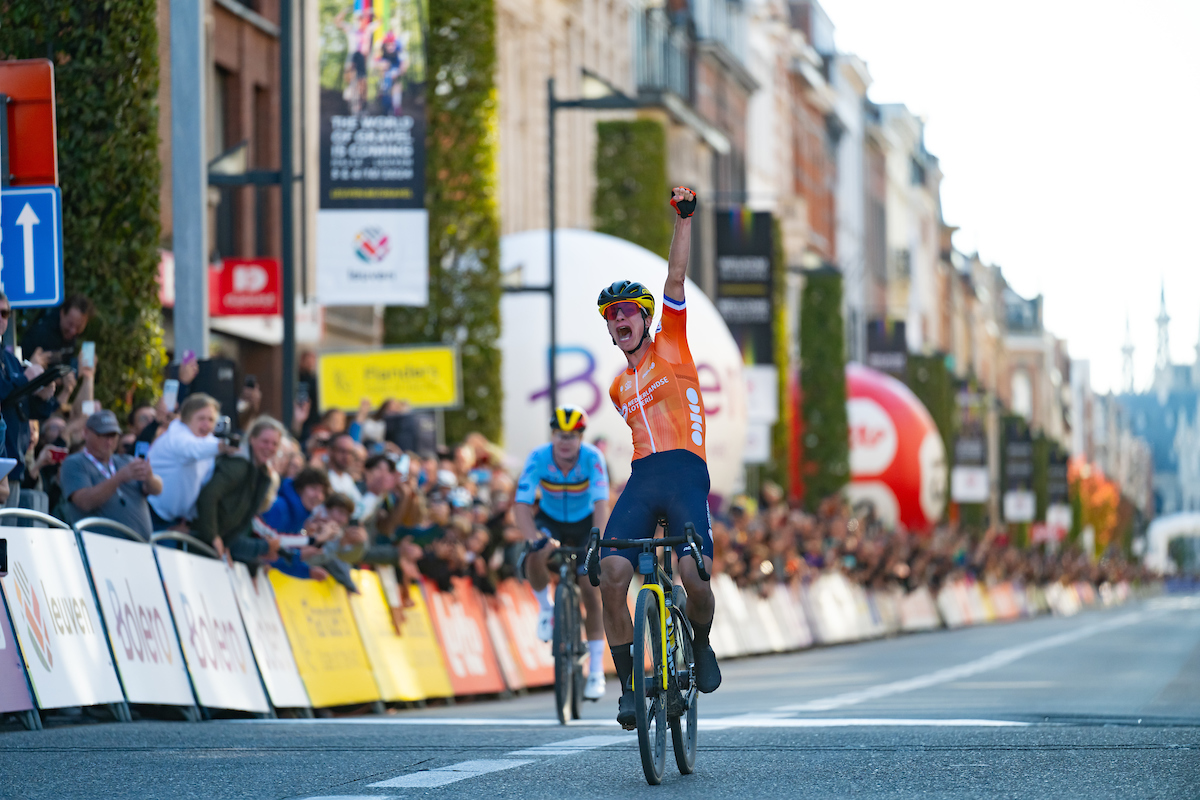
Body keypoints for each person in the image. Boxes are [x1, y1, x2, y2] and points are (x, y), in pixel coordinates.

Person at [596, 187, 720, 730]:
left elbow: (674, 280)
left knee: (694, 577)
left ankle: (702, 643)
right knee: (611, 571)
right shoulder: (617, 387)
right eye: (611, 315)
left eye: (627, 312)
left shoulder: (673, 344)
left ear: (645, 319)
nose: (619, 319)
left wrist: (684, 220)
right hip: (645, 478)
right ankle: (628, 687)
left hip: (686, 471)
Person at [514, 405, 610, 701]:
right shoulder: (539, 457)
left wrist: (597, 541)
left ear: (581, 436)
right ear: (552, 435)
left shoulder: (593, 458)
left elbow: (601, 505)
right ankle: (546, 609)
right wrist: (533, 538)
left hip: (584, 524)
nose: (565, 441)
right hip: (550, 520)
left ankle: (595, 671)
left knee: (590, 592)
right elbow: (521, 505)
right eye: (559, 435)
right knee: (535, 553)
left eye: (571, 436)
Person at [60, 410, 163, 539]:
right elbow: (84, 502)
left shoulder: (126, 460)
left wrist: (149, 477)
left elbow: (157, 489)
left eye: (113, 435)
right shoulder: (75, 463)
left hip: (140, 547)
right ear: (86, 433)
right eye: (102, 435)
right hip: (99, 546)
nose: (109, 441)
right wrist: (119, 478)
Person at [193, 416, 284, 560]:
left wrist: (226, 544)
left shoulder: (262, 474)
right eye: (265, 441)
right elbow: (208, 495)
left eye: (274, 444)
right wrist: (213, 536)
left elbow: (244, 518)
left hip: (215, 541)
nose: (269, 448)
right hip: (199, 535)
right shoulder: (238, 464)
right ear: (252, 439)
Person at [147, 393, 232, 530]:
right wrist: (222, 446)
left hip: (175, 520)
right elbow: (192, 450)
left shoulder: (208, 442)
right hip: (150, 511)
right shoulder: (177, 435)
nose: (206, 424)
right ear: (186, 419)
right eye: (201, 418)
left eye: (211, 419)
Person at [0, 292, 60, 483]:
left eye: (5, 313)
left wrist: (41, 396)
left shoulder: (10, 360)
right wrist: (25, 379)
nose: (1, 319)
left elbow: (24, 410)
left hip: (14, 464)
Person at [22, 294, 93, 367]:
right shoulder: (40, 333)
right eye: (70, 324)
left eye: (78, 327)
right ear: (62, 313)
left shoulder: (78, 337)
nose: (73, 331)